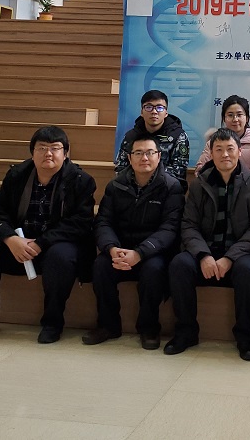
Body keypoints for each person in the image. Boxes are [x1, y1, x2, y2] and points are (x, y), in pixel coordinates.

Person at [0, 126, 95, 344]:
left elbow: (80, 223)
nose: (48, 154)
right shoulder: (17, 175)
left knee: (60, 257)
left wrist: (41, 243)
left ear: (66, 153)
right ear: (32, 152)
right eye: (42, 148)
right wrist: (10, 239)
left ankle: (52, 323)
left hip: (56, 245)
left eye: (55, 148)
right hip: (19, 245)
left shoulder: (81, 180)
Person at [164, 128, 250, 360]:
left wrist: (229, 257)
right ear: (211, 153)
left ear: (240, 151)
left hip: (240, 254)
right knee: (179, 264)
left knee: (249, 270)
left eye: (230, 149)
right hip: (206, 252)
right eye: (219, 149)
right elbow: (189, 225)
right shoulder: (198, 185)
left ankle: (246, 337)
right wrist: (203, 255)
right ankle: (186, 332)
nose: (225, 154)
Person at [81, 136, 184, 349]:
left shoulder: (171, 187)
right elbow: (103, 222)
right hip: (120, 248)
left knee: (154, 270)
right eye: (138, 153)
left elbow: (169, 229)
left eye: (149, 153)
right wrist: (112, 248)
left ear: (159, 156)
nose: (144, 158)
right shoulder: (116, 185)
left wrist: (140, 253)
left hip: (153, 252)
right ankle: (108, 325)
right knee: (100, 266)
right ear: (129, 158)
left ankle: (149, 328)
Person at [113, 89, 190, 188]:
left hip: (166, 189)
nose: (154, 112)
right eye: (149, 107)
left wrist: (147, 177)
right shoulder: (131, 136)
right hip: (133, 189)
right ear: (142, 112)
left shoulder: (178, 136)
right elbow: (120, 168)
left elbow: (179, 172)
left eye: (159, 108)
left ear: (166, 113)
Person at [194, 95, 250, 173]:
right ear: (224, 118)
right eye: (230, 115)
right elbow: (200, 171)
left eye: (239, 115)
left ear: (247, 118)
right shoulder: (213, 142)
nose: (235, 119)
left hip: (247, 181)